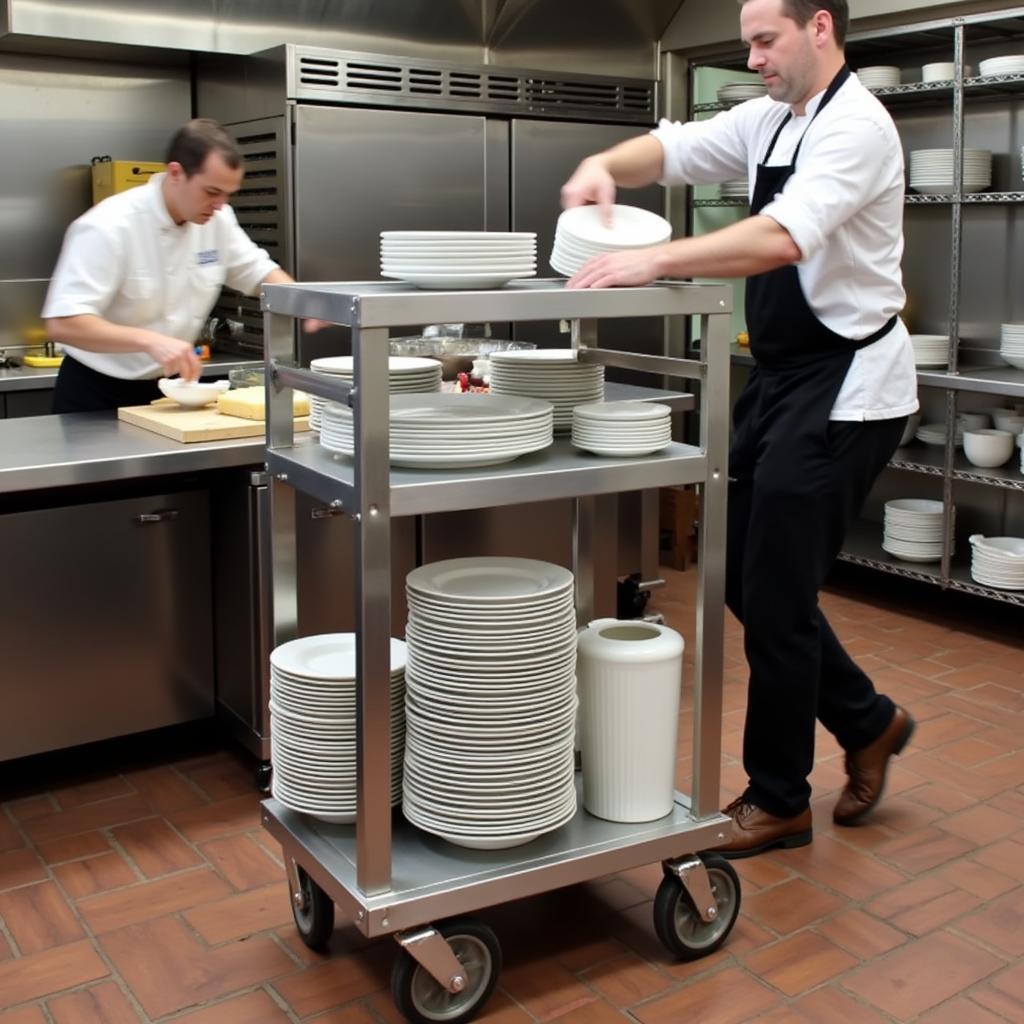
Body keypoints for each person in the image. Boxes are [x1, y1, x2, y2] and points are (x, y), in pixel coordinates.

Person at [562, 0, 918, 858]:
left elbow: (781, 238)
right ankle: (869, 720)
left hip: (850, 386)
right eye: (750, 41)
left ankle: (779, 797)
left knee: (780, 601)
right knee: (739, 579)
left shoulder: (858, 129)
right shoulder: (770, 120)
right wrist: (604, 164)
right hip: (783, 378)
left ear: (820, 27)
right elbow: (674, 148)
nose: (753, 58)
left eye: (767, 40)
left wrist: (654, 260)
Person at [43, 118, 323, 412]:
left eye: (228, 194)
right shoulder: (108, 225)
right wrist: (150, 341)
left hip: (171, 391)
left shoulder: (218, 219)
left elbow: (255, 270)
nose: (220, 204)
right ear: (176, 173)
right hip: (97, 393)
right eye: (212, 192)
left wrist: (304, 301)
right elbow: (63, 323)